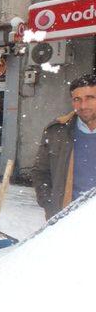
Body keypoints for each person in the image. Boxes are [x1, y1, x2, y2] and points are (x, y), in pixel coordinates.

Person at [32, 74, 96, 219]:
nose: (83, 105)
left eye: (90, 98)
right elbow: (40, 171)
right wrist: (49, 202)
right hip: (66, 220)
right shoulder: (57, 131)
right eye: (77, 99)